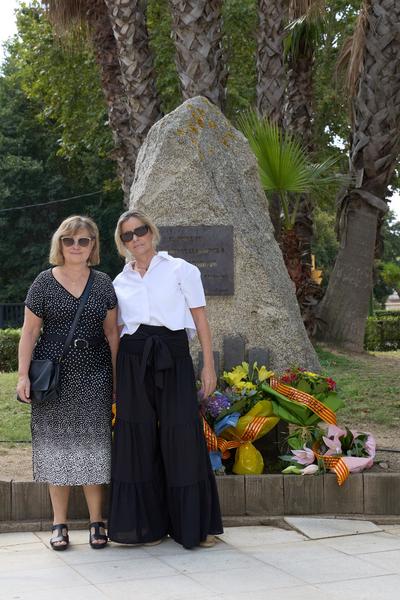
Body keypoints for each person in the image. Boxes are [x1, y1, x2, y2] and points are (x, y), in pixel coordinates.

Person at [108, 209, 223, 550]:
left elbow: (200, 321)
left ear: (151, 231)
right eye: (127, 235)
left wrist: (208, 366)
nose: (135, 239)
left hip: (172, 355)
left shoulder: (181, 270)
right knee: (136, 436)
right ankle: (144, 527)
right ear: (122, 243)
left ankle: (193, 527)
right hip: (132, 360)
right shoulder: (119, 281)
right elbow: (116, 332)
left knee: (181, 434)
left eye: (140, 230)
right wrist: (116, 378)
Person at [16, 215, 119, 551]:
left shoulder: (103, 283)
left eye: (83, 240)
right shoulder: (43, 283)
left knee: (95, 447)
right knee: (56, 447)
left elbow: (111, 333)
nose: (76, 246)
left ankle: (96, 522)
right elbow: (29, 332)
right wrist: (21, 376)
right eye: (69, 240)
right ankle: (58, 524)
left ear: (93, 246)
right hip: (53, 375)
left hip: (96, 372)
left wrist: (118, 378)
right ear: (59, 244)